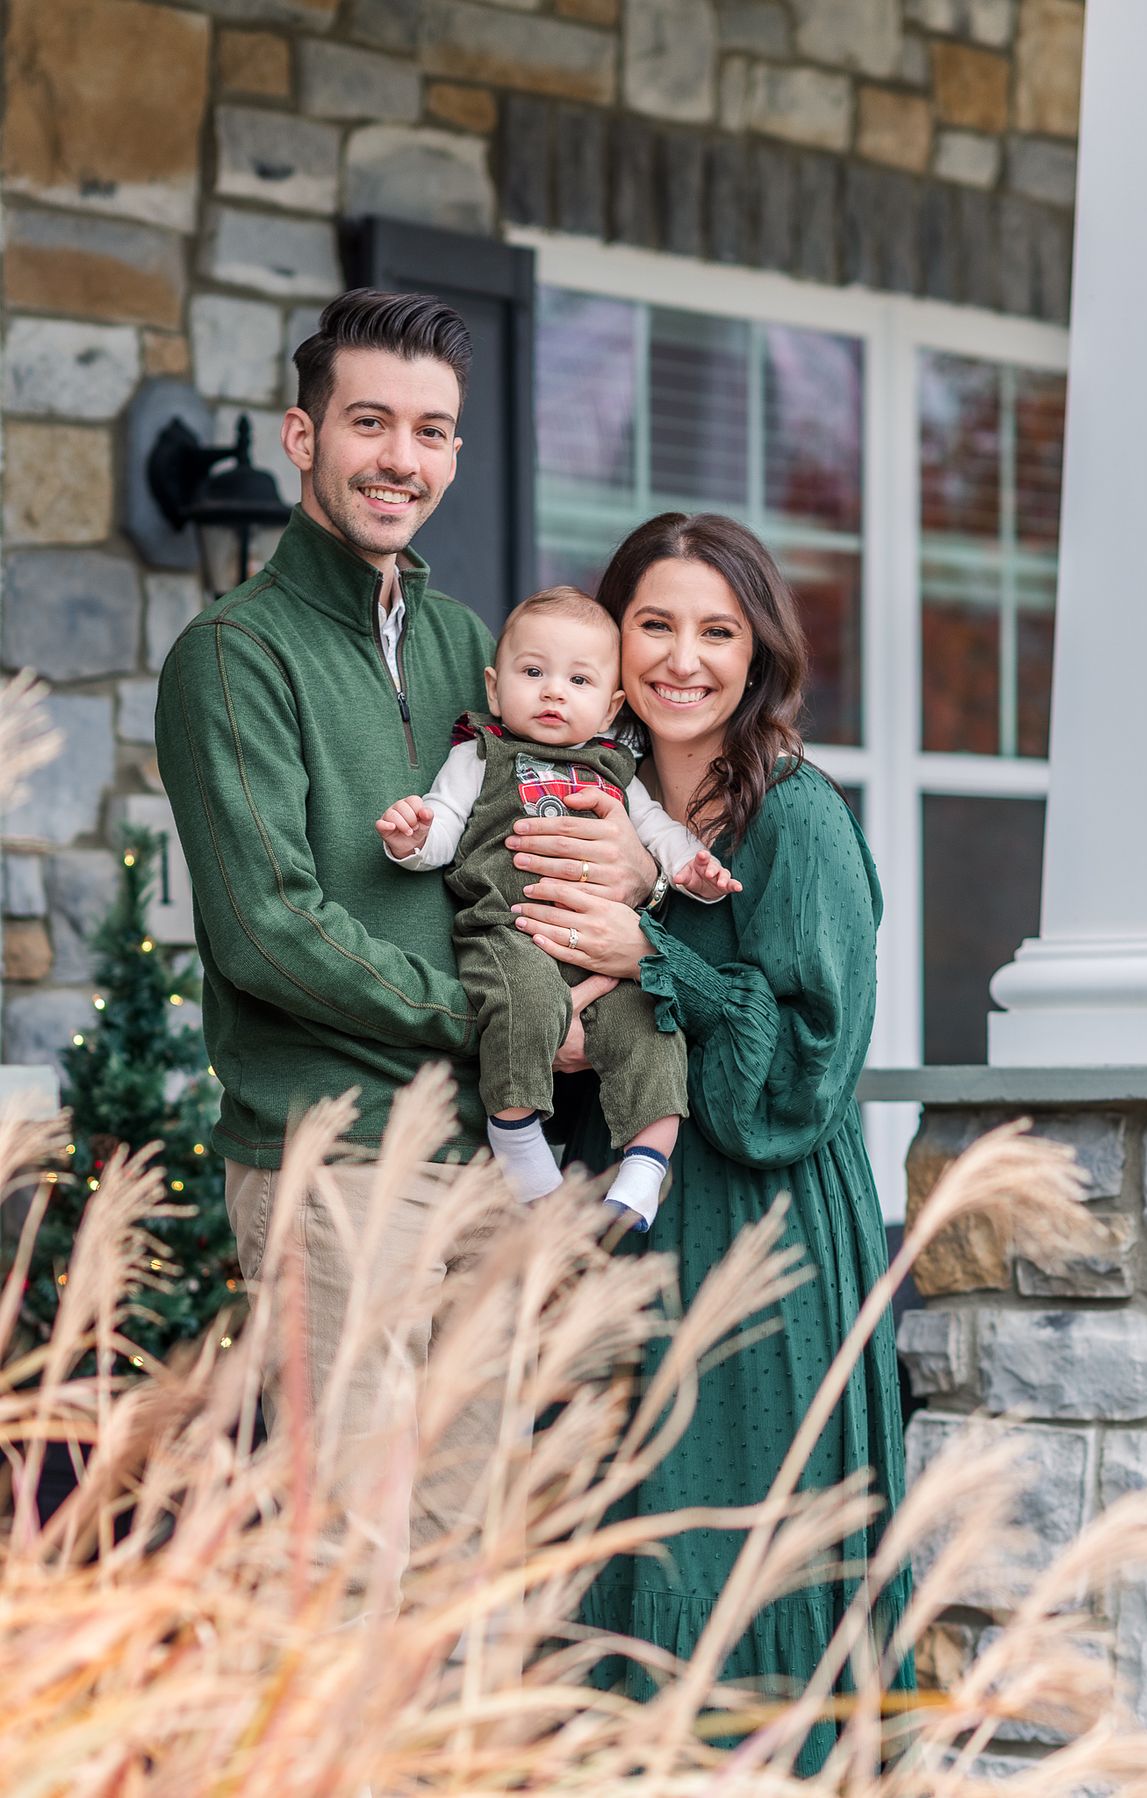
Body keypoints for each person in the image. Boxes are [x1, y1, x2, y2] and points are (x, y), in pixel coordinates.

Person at [153, 289, 649, 1571]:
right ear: (301, 437)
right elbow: (269, 927)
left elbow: (540, 838)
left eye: (431, 431)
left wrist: (627, 895)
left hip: (486, 1152)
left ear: (457, 454)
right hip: (334, 1162)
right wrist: (496, 1029)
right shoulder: (232, 655)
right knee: (346, 1552)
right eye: (370, 422)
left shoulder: (474, 646)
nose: (402, 459)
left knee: (464, 1550)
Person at [509, 513, 912, 1767]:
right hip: (617, 1230)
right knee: (611, 1560)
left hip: (763, 1235)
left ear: (758, 654)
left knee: (740, 1557)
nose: (684, 659)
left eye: (717, 632)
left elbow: (804, 1074)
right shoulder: (579, 796)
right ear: (611, 638)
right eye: (655, 625)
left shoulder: (796, 818)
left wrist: (656, 953)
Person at [374, 584, 741, 1229]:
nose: (553, 692)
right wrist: (413, 838)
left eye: (578, 679)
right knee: (523, 1004)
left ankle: (646, 1166)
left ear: (610, 706)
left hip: (598, 947)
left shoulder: (615, 770)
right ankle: (518, 1140)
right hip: (507, 932)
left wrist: (692, 868)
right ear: (495, 689)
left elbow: (658, 832)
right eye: (533, 672)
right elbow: (445, 825)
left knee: (650, 1020)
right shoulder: (477, 756)